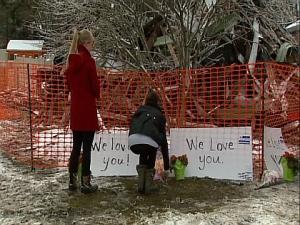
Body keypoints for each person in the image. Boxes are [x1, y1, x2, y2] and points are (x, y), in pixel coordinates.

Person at [65, 28, 100, 193]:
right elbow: (95, 88)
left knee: (75, 147)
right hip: (88, 111)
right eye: (92, 43)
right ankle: (86, 182)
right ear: (86, 43)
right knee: (87, 148)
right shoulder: (89, 62)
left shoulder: (71, 61)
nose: (93, 46)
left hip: (76, 111)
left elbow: (69, 86)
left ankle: (72, 181)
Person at [128, 89, 170, 194]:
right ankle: (148, 186)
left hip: (133, 141)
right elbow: (164, 141)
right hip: (149, 142)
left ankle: (141, 185)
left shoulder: (139, 111)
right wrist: (167, 167)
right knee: (151, 146)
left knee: (143, 150)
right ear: (157, 102)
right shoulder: (160, 115)